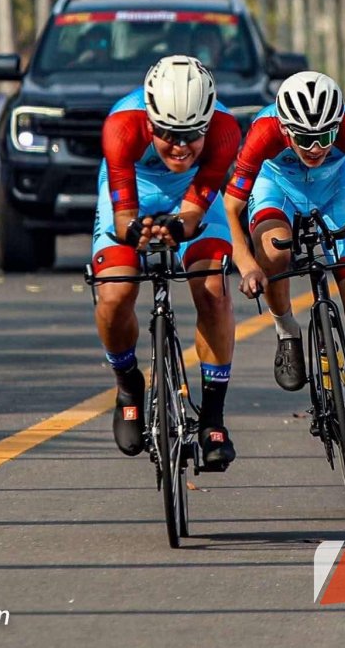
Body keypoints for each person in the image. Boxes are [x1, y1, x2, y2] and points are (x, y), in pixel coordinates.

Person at [224, 71, 345, 482]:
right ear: (284, 128)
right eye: (303, 138)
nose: (315, 147)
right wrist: (246, 262)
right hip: (278, 188)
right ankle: (286, 330)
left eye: (325, 137)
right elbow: (231, 207)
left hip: (335, 191)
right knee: (275, 249)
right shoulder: (263, 132)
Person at [93, 55, 241, 470]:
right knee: (116, 292)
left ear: (208, 123)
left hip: (190, 195)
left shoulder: (226, 131)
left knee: (212, 289)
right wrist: (135, 232)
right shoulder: (121, 126)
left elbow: (195, 214)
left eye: (191, 134)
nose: (179, 146)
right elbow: (123, 217)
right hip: (134, 189)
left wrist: (179, 227)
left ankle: (213, 417)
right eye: (167, 133)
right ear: (149, 120)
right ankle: (127, 384)